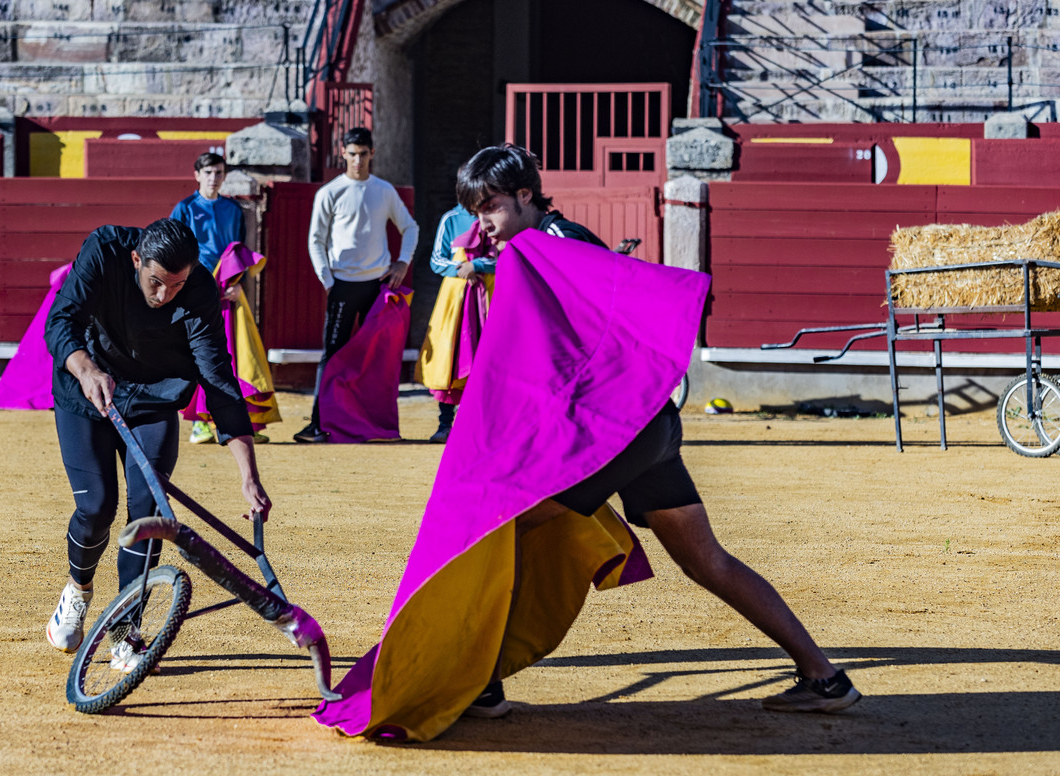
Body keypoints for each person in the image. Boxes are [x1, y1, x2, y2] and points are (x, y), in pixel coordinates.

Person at [454, 143, 860, 718]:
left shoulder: (559, 245)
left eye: (489, 207)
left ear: (525, 196)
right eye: (475, 212)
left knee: (506, 530)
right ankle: (825, 679)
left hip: (618, 431)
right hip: (648, 427)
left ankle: (483, 682)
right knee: (705, 561)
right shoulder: (544, 248)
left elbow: (605, 345)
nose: (481, 227)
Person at [43, 218, 271, 671]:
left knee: (148, 513)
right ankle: (79, 588)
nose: (164, 295)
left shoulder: (200, 292)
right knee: (96, 508)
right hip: (86, 390)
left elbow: (218, 378)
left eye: (177, 285)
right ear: (136, 260)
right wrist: (86, 370)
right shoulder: (105, 248)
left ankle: (126, 630)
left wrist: (249, 476)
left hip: (153, 399)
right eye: (156, 282)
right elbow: (61, 319)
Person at [297, 126, 419, 443]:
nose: (358, 160)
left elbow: (411, 228)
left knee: (374, 356)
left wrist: (403, 262)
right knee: (333, 354)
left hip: (377, 286)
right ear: (343, 154)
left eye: (363, 154)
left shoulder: (384, 190)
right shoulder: (330, 192)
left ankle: (368, 424)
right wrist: (327, 280)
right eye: (352, 154)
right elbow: (315, 240)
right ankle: (318, 424)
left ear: (372, 154)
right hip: (341, 284)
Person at [170, 152, 279, 444]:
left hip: (228, 288)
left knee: (234, 352)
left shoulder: (232, 209)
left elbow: (237, 251)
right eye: (208, 172)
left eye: (219, 172)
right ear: (197, 175)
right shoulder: (184, 209)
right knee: (200, 353)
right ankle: (201, 422)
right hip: (196, 288)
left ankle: (240, 420)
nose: (214, 178)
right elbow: (175, 252)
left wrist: (238, 283)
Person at [418, 202, 482, 443]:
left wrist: (478, 266)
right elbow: (437, 260)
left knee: (481, 358)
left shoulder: (493, 216)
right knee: (451, 357)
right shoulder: (452, 218)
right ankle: (445, 424)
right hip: (455, 298)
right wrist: (461, 268)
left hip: (487, 294)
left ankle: (474, 426)